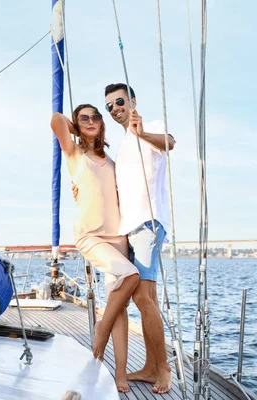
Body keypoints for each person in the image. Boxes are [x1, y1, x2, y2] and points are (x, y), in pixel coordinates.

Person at [51, 104, 139, 393]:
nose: (91, 121)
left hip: (118, 237)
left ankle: (120, 374)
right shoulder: (75, 154)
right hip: (90, 235)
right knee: (131, 276)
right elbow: (55, 120)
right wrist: (78, 128)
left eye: (95, 117)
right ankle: (101, 329)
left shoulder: (111, 162)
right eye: (84, 118)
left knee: (120, 308)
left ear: (103, 124)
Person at [105, 83, 175, 394]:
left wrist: (142, 132)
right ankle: (149, 366)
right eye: (109, 106)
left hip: (148, 222)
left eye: (119, 101)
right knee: (145, 299)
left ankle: (163, 369)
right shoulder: (121, 146)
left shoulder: (150, 127)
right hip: (129, 227)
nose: (115, 108)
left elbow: (170, 144)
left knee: (143, 298)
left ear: (133, 101)